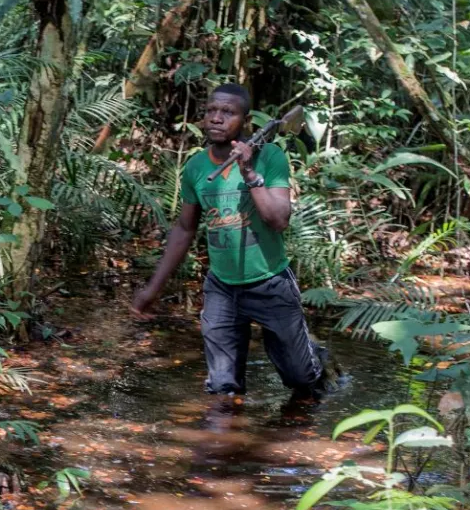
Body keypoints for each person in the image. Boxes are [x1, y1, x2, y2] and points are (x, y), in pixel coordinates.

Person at [128, 83, 329, 404]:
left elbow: (278, 220)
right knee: (223, 389)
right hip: (222, 288)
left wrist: (248, 171)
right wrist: (153, 289)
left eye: (228, 113)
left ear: (245, 122)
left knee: (301, 380)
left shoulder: (270, 156)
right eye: (211, 111)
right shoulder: (196, 166)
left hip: (271, 283)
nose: (216, 119)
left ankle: (314, 356)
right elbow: (184, 229)